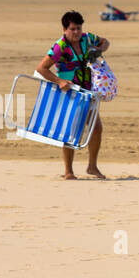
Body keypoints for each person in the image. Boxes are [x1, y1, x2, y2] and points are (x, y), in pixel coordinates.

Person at [35, 11, 110, 179]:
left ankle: (92, 167)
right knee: (70, 130)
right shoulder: (59, 47)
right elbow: (41, 69)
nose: (76, 32)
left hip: (88, 90)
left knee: (96, 128)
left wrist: (98, 50)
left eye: (79, 28)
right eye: (73, 29)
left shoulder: (87, 38)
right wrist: (59, 81)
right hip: (70, 93)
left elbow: (106, 42)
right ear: (64, 29)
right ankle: (68, 171)